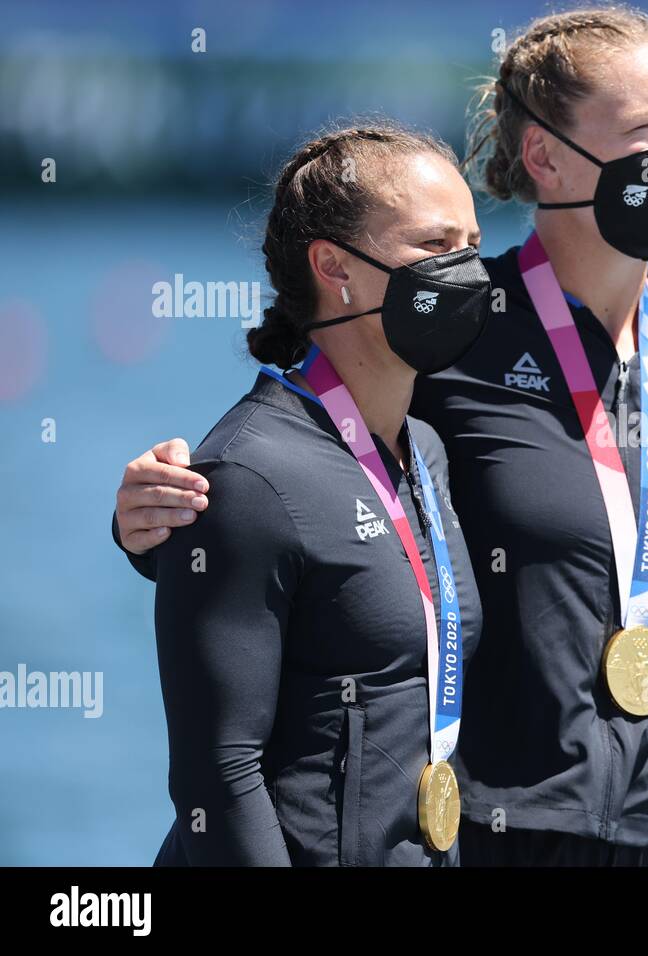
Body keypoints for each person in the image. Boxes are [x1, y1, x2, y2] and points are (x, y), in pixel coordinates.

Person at [114, 5, 648, 867]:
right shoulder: (450, 330)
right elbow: (297, 478)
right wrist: (149, 522)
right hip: (468, 838)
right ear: (545, 155)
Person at [133, 124, 488, 865]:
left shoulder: (424, 451)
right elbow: (217, 776)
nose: (468, 272)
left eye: (473, 244)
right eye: (434, 246)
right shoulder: (248, 478)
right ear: (336, 267)